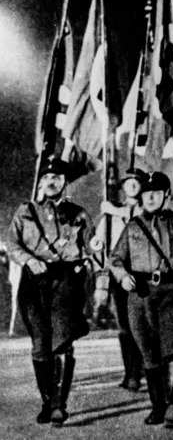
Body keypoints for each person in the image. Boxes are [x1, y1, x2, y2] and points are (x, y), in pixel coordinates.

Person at [109, 171, 173, 427]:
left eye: (156, 193)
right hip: (141, 295)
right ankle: (158, 406)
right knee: (148, 352)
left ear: (166, 194)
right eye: (146, 193)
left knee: (171, 348)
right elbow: (115, 259)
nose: (151, 197)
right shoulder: (133, 226)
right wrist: (122, 276)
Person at [6, 156, 95, 426]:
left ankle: (59, 405)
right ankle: (47, 402)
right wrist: (28, 259)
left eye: (56, 177)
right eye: (46, 178)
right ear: (41, 183)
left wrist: (96, 252)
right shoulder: (26, 211)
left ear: (64, 183)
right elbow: (12, 243)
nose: (50, 181)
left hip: (66, 281)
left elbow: (92, 246)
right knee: (40, 346)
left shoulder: (78, 213)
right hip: (34, 282)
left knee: (62, 340)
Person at [92, 168, 146, 392]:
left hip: (142, 274)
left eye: (137, 181)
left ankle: (142, 369)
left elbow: (139, 221)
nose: (132, 185)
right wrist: (101, 283)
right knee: (124, 326)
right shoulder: (108, 217)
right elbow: (100, 250)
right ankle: (131, 373)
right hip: (117, 275)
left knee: (142, 325)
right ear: (122, 187)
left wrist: (114, 210)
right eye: (128, 182)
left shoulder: (147, 210)